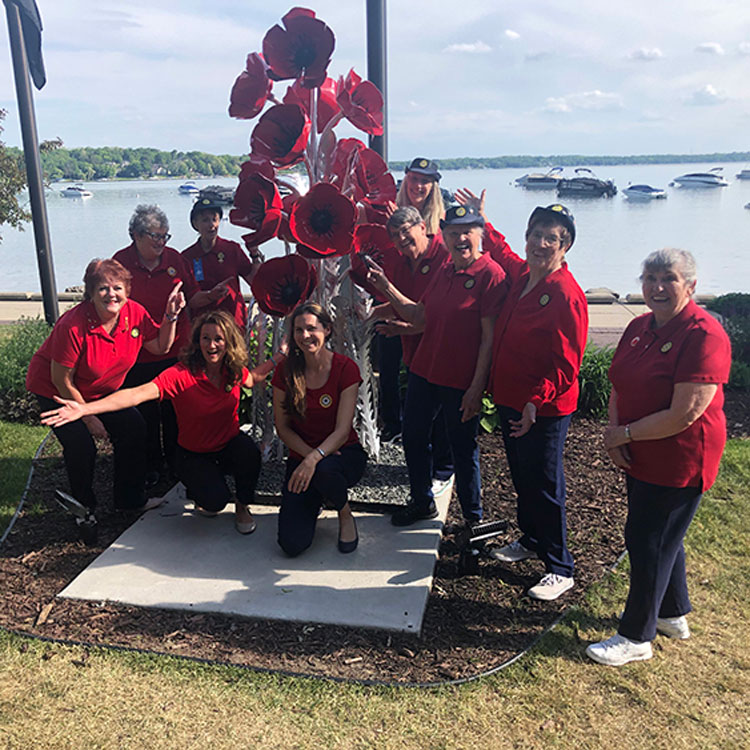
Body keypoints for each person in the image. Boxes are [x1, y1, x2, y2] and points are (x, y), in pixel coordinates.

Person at [586, 248, 731, 666]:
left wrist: (624, 434)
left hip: (680, 457)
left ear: (691, 285)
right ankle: (672, 614)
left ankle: (636, 636)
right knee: (666, 536)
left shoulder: (704, 335)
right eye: (649, 278)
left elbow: (685, 413)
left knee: (648, 540)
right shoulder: (639, 326)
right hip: (640, 452)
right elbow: (619, 383)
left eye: (668, 278)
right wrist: (616, 435)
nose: (657, 287)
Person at [41, 310, 283, 535]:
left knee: (249, 452)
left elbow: (252, 378)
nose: (211, 345)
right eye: (205, 338)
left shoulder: (232, 370)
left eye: (218, 339)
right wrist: (86, 409)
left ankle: (242, 506)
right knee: (214, 503)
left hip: (228, 446)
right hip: (194, 454)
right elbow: (135, 394)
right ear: (198, 341)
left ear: (228, 342)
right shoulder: (181, 374)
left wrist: (280, 356)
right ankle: (204, 488)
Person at [460, 190, 588, 602]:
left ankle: (559, 566)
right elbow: (502, 249)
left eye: (550, 237)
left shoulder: (566, 294)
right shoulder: (522, 276)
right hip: (512, 402)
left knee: (545, 484)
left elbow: (567, 364)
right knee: (522, 478)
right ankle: (531, 540)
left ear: (564, 245)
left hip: (543, 410)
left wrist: (537, 401)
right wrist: (483, 219)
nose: (539, 243)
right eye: (535, 234)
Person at [27, 258, 185, 544]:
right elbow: (62, 380)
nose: (111, 294)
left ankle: (129, 499)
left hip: (98, 391)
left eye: (117, 287)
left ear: (127, 290)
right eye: (102, 288)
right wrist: (88, 418)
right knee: (81, 445)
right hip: (55, 391)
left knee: (134, 427)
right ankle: (84, 510)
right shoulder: (73, 326)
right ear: (90, 293)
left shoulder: (134, 314)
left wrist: (171, 317)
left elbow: (161, 346)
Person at [368, 204, 507, 527]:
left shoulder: (491, 275)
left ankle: (474, 522)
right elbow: (420, 316)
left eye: (467, 232)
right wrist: (384, 286)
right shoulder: (447, 270)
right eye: (453, 233)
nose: (460, 239)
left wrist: (477, 387)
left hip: (460, 380)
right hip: (424, 372)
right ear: (443, 235)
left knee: (462, 449)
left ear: (479, 235)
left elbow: (489, 340)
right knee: (414, 437)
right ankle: (421, 501)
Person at [113, 204, 199, 487]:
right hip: (138, 353)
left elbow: (193, 296)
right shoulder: (120, 263)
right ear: (135, 235)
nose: (162, 242)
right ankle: (151, 465)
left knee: (176, 412)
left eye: (165, 236)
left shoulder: (175, 260)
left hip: (176, 350)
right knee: (145, 413)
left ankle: (178, 464)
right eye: (155, 236)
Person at [272, 303, 367, 556]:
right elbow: (282, 428)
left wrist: (315, 458)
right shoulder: (285, 371)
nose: (305, 336)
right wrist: (307, 458)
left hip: (341, 454)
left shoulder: (345, 369)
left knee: (324, 470)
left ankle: (344, 512)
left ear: (327, 329)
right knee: (291, 545)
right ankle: (318, 497)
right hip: (301, 457)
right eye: (298, 330)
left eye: (312, 328)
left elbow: (342, 431)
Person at [372, 205, 454, 497]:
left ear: (422, 226)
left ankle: (444, 472)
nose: (401, 240)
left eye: (405, 232)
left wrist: (386, 289)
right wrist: (369, 313)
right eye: (394, 236)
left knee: (443, 419)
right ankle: (422, 481)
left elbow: (433, 316)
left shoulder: (445, 257)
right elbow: (402, 304)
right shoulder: (401, 260)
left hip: (444, 352)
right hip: (417, 355)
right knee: (419, 424)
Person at [377, 157, 447, 442]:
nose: (419, 185)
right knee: (389, 366)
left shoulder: (440, 222)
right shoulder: (387, 211)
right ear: (405, 179)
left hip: (426, 309)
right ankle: (393, 426)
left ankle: (425, 431)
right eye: (414, 178)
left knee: (424, 372)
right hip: (394, 300)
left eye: (425, 180)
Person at [182, 197, 263, 330]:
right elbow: (189, 300)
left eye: (214, 219)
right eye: (205, 220)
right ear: (195, 224)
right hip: (203, 332)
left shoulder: (232, 249)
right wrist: (210, 296)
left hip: (233, 327)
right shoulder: (186, 257)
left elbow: (254, 282)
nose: (211, 225)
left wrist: (255, 255)